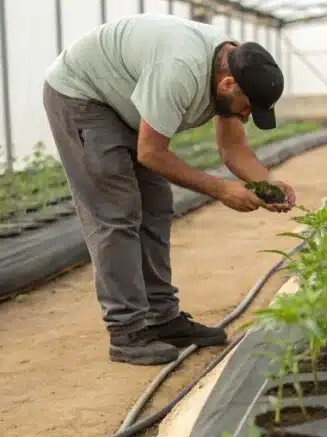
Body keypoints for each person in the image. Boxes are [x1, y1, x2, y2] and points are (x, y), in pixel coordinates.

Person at [42, 13, 296, 365]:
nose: (247, 117)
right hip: (84, 96)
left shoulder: (232, 67)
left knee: (157, 203)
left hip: (127, 101)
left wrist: (264, 184)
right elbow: (151, 152)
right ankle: (126, 331)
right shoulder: (181, 70)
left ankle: (162, 319)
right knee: (117, 211)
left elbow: (233, 148)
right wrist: (222, 190)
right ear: (227, 86)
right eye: (248, 109)